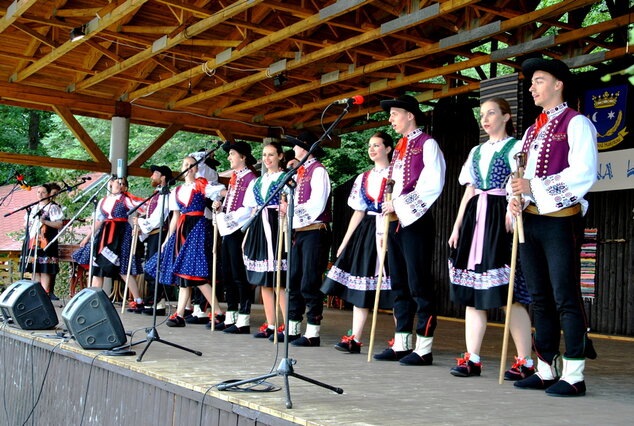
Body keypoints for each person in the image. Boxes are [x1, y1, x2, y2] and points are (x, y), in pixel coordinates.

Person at [508, 58, 597, 397]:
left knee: (565, 296)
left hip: (561, 222)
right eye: (532, 82)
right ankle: (545, 369)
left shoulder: (578, 124)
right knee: (540, 299)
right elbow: (518, 179)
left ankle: (574, 374)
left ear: (558, 84)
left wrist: (533, 189)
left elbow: (583, 173)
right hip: (531, 221)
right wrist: (514, 198)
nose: (532, 86)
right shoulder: (531, 131)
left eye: (539, 80)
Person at [447, 97, 533, 378]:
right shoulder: (476, 151)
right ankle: (472, 357)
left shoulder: (517, 146)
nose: (485, 118)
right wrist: (457, 225)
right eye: (482, 114)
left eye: (492, 113)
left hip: (500, 215)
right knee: (473, 293)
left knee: (511, 295)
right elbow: (470, 189)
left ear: (506, 117)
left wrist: (513, 210)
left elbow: (520, 180)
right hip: (475, 217)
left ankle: (524, 360)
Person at [373, 95, 445, 366]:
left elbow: (432, 184)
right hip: (395, 221)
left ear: (410, 115)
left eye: (394, 114)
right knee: (399, 282)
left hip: (415, 221)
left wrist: (398, 205)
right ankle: (402, 341)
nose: (390, 119)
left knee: (418, 282)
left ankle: (424, 346)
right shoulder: (401, 148)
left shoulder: (427, 144)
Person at [321, 131, 394, 354]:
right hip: (367, 232)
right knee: (361, 285)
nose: (372, 149)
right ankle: (355, 337)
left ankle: (402, 339)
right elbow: (358, 212)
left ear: (388, 149)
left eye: (377, 145)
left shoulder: (397, 173)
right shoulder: (363, 177)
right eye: (370, 146)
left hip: (392, 229)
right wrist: (345, 241)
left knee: (395, 285)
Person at [144, 156, 223, 327]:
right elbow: (174, 217)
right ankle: (181, 314)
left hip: (199, 227)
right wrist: (167, 239)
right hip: (181, 229)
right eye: (185, 164)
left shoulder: (201, 185)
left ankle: (216, 311)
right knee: (184, 273)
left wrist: (220, 200)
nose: (188, 167)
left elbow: (222, 192)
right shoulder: (176, 191)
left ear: (196, 169)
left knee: (195, 274)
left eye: (191, 165)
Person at [280, 130, 332, 347]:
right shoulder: (299, 172)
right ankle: (292, 328)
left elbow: (316, 204)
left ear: (305, 149)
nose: (293, 150)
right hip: (299, 233)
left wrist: (290, 209)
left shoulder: (319, 171)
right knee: (293, 279)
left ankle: (313, 332)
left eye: (296, 147)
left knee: (309, 280)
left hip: (314, 231)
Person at [72, 177, 145, 311]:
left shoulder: (126, 199)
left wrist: (139, 224)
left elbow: (144, 208)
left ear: (125, 188)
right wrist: (87, 238)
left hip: (121, 234)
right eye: (118, 182)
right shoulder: (102, 201)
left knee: (124, 267)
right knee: (98, 267)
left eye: (123, 184)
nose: (120, 185)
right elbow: (99, 221)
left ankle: (138, 300)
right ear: (111, 183)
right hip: (105, 233)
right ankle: (93, 299)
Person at [243, 142, 288, 338]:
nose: (267, 159)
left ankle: (288, 325)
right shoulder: (257, 181)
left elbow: (290, 202)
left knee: (279, 280)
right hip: (260, 226)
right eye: (264, 155)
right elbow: (249, 204)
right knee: (264, 280)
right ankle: (271, 324)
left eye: (271, 155)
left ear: (280, 156)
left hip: (277, 224)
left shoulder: (286, 178)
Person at [213, 141, 257, 333]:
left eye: (232, 154)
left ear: (243, 157)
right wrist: (220, 208)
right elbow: (231, 204)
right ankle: (231, 315)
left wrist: (226, 218)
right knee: (228, 274)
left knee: (239, 274)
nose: (229, 157)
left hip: (240, 230)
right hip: (228, 229)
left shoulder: (251, 178)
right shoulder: (235, 179)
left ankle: (244, 318)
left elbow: (248, 209)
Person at [136, 165, 172, 316]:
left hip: (159, 234)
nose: (151, 177)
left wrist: (140, 223)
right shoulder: (156, 195)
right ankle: (152, 301)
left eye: (155, 174)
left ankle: (157, 302)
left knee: (155, 268)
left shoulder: (166, 195)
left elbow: (157, 219)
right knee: (150, 268)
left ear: (162, 177)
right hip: (152, 234)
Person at [22, 183, 64, 296]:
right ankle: (36, 294)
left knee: (45, 269)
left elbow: (59, 224)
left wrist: (44, 222)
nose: (40, 194)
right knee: (35, 268)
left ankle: (45, 294)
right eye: (38, 192)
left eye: (43, 192)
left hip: (47, 241)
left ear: (49, 194)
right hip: (33, 240)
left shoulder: (53, 207)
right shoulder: (34, 208)